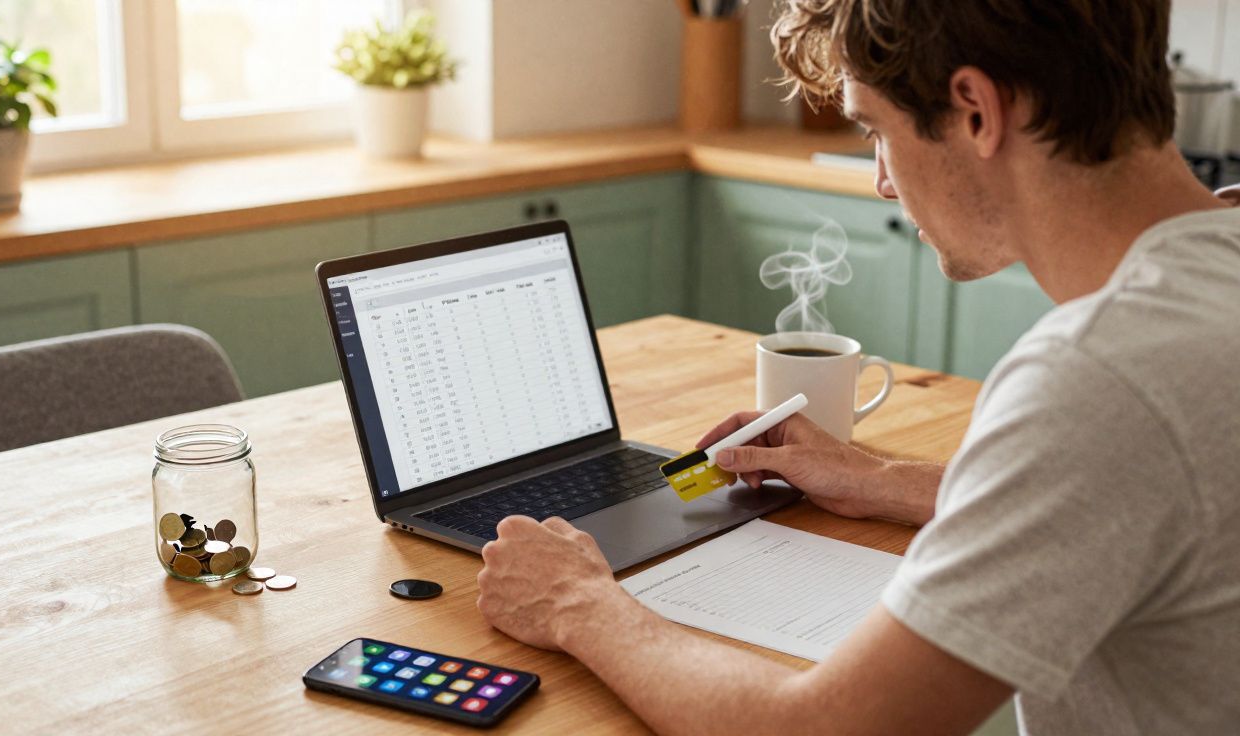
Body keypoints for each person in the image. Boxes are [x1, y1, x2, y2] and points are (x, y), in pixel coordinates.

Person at [475, 1, 1240, 733]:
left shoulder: (1100, 379)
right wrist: (881, 481)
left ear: (976, 110)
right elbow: (1130, 495)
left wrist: (579, 602)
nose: (881, 179)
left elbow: (820, 729)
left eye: (876, 129)